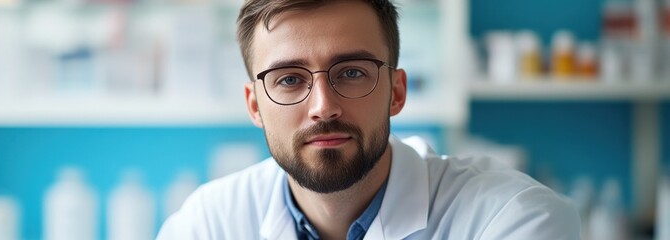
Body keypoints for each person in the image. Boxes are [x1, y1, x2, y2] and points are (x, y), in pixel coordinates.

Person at [157, 0, 581, 239]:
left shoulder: (509, 218)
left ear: (397, 91)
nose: (323, 106)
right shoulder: (208, 224)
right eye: (289, 79)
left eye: (352, 73)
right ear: (254, 106)